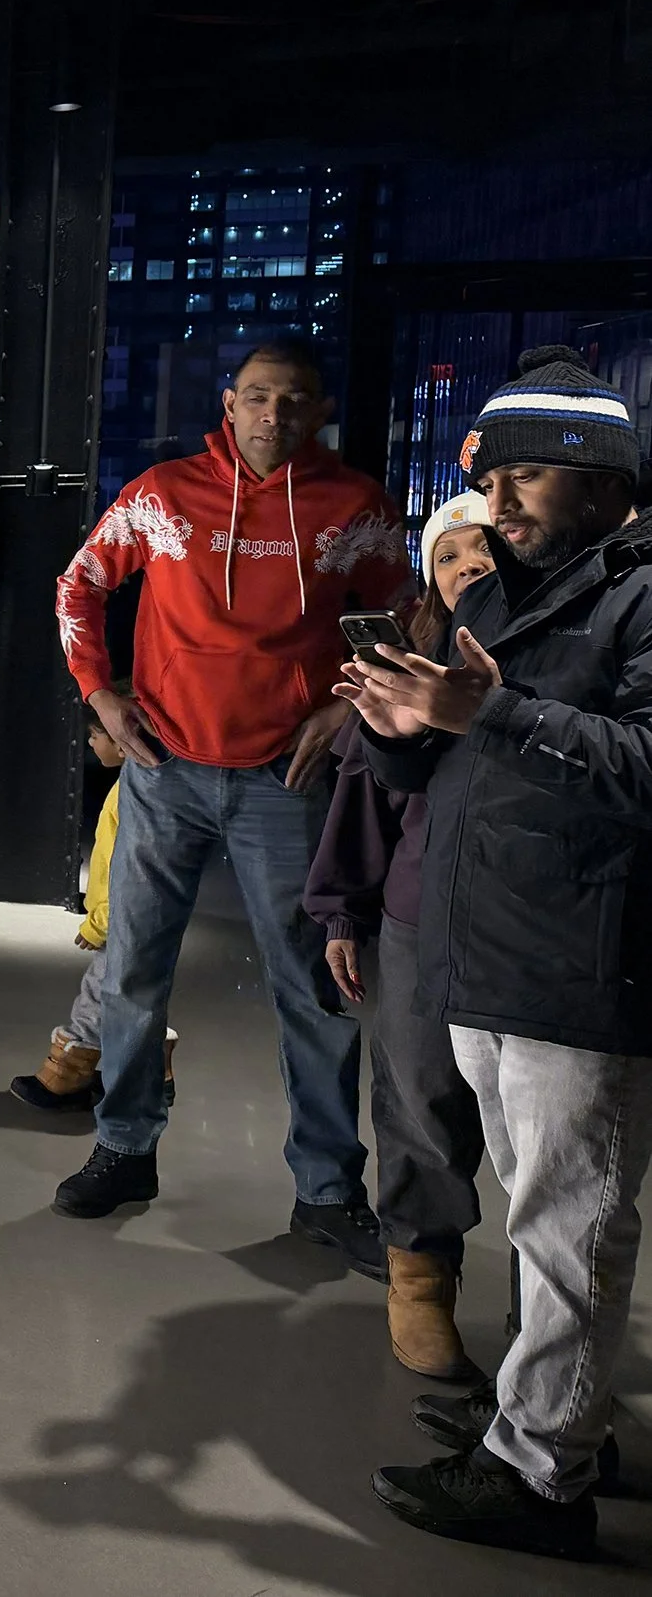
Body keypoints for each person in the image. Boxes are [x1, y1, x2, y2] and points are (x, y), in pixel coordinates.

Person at [339, 345, 652, 1561]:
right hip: (485, 953)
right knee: (541, 1224)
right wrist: (394, 731)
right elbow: (446, 766)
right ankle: (551, 1424)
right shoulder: (491, 599)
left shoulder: (638, 596)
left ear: (605, 482)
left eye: (529, 475)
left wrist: (491, 711)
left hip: (583, 965)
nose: (498, 498)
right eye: (491, 474)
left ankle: (540, 1482)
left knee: (571, 1230)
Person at [50, 338, 411, 1259]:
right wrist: (100, 695)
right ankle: (124, 1147)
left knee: (314, 988)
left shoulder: (354, 506)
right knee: (133, 970)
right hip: (164, 767)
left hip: (285, 779)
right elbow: (79, 585)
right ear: (230, 402)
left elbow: (407, 617)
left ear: (320, 410)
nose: (273, 415)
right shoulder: (164, 495)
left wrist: (345, 706)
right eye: (257, 396)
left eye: (293, 400)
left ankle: (327, 1189)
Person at [303, 493, 493, 1381]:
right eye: (448, 555)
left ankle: (546, 1324)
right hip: (420, 918)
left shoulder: (559, 662)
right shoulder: (406, 669)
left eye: (484, 550)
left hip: (536, 922)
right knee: (420, 1101)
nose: (468, 565)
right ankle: (420, 1280)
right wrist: (343, 910)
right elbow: (364, 799)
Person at [10, 699, 180, 1111]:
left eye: (95, 734)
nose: (90, 743)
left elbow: (129, 869)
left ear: (123, 741)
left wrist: (99, 922)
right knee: (134, 995)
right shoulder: (153, 787)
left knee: (100, 995)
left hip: (124, 921)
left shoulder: (132, 796)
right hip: (140, 918)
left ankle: (65, 1078)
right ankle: (149, 1078)